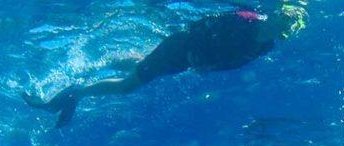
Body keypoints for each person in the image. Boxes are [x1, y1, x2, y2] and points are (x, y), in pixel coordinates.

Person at [25, 3, 308, 128]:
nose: (279, 24)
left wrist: (207, 66)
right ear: (277, 14)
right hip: (181, 48)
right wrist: (198, 52)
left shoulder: (263, 45)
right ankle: (77, 92)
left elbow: (233, 62)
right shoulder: (246, 19)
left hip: (186, 60)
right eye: (281, 18)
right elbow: (205, 24)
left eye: (286, 26)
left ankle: (108, 62)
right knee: (128, 87)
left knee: (144, 67)